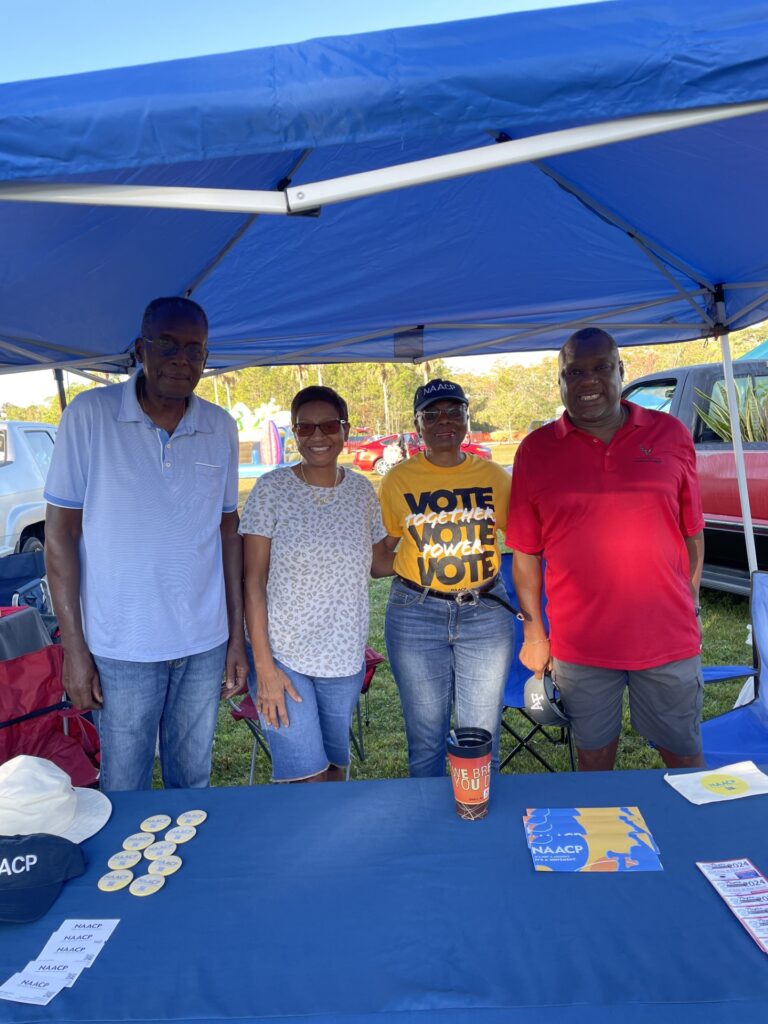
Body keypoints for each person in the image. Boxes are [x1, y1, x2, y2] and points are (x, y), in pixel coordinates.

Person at [44, 296, 247, 791]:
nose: (181, 360)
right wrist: (74, 650)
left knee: (192, 777)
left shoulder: (220, 426)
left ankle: (189, 869)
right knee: (124, 781)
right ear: (140, 349)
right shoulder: (89, 417)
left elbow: (227, 533)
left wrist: (235, 636)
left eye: (194, 350)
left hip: (203, 642)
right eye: (168, 345)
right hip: (121, 645)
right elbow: (60, 537)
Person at [507, 327, 705, 771]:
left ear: (621, 371)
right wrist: (535, 634)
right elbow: (524, 554)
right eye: (574, 371)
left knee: (684, 757)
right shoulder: (535, 451)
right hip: (582, 644)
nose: (588, 381)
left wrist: (689, 600)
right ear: (560, 381)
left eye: (600, 368)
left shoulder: (671, 434)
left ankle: (694, 841)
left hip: (667, 638)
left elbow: (692, 532)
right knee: (594, 759)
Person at [240, 386, 392, 783]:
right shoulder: (271, 489)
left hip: (343, 656)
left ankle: (332, 846)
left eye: (328, 425)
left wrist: (429, 544)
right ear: (294, 433)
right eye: (305, 428)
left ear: (344, 430)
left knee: (335, 770)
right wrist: (264, 667)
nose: (318, 436)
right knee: (307, 777)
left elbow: (379, 564)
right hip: (284, 657)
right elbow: (251, 582)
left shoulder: (361, 490)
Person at [379, 379, 515, 777]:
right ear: (417, 425)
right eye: (432, 414)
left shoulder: (495, 476)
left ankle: (476, 815)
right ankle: (429, 830)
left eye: (454, 412)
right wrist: (424, 565)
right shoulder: (397, 480)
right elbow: (381, 553)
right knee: (425, 737)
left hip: (484, 612)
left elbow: (524, 541)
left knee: (480, 734)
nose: (444, 421)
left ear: (467, 419)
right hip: (416, 613)